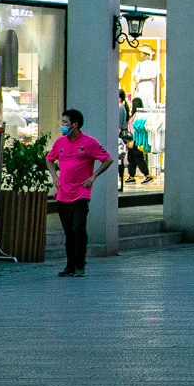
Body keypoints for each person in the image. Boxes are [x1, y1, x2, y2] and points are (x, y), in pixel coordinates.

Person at [47, 109, 113, 278]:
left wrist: (94, 176)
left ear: (75, 125)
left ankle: (79, 264)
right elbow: (49, 159)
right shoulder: (60, 143)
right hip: (63, 194)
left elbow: (108, 159)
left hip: (81, 193)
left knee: (78, 228)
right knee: (68, 231)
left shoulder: (89, 142)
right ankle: (69, 265)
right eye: (62, 122)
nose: (62, 126)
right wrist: (54, 176)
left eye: (65, 123)